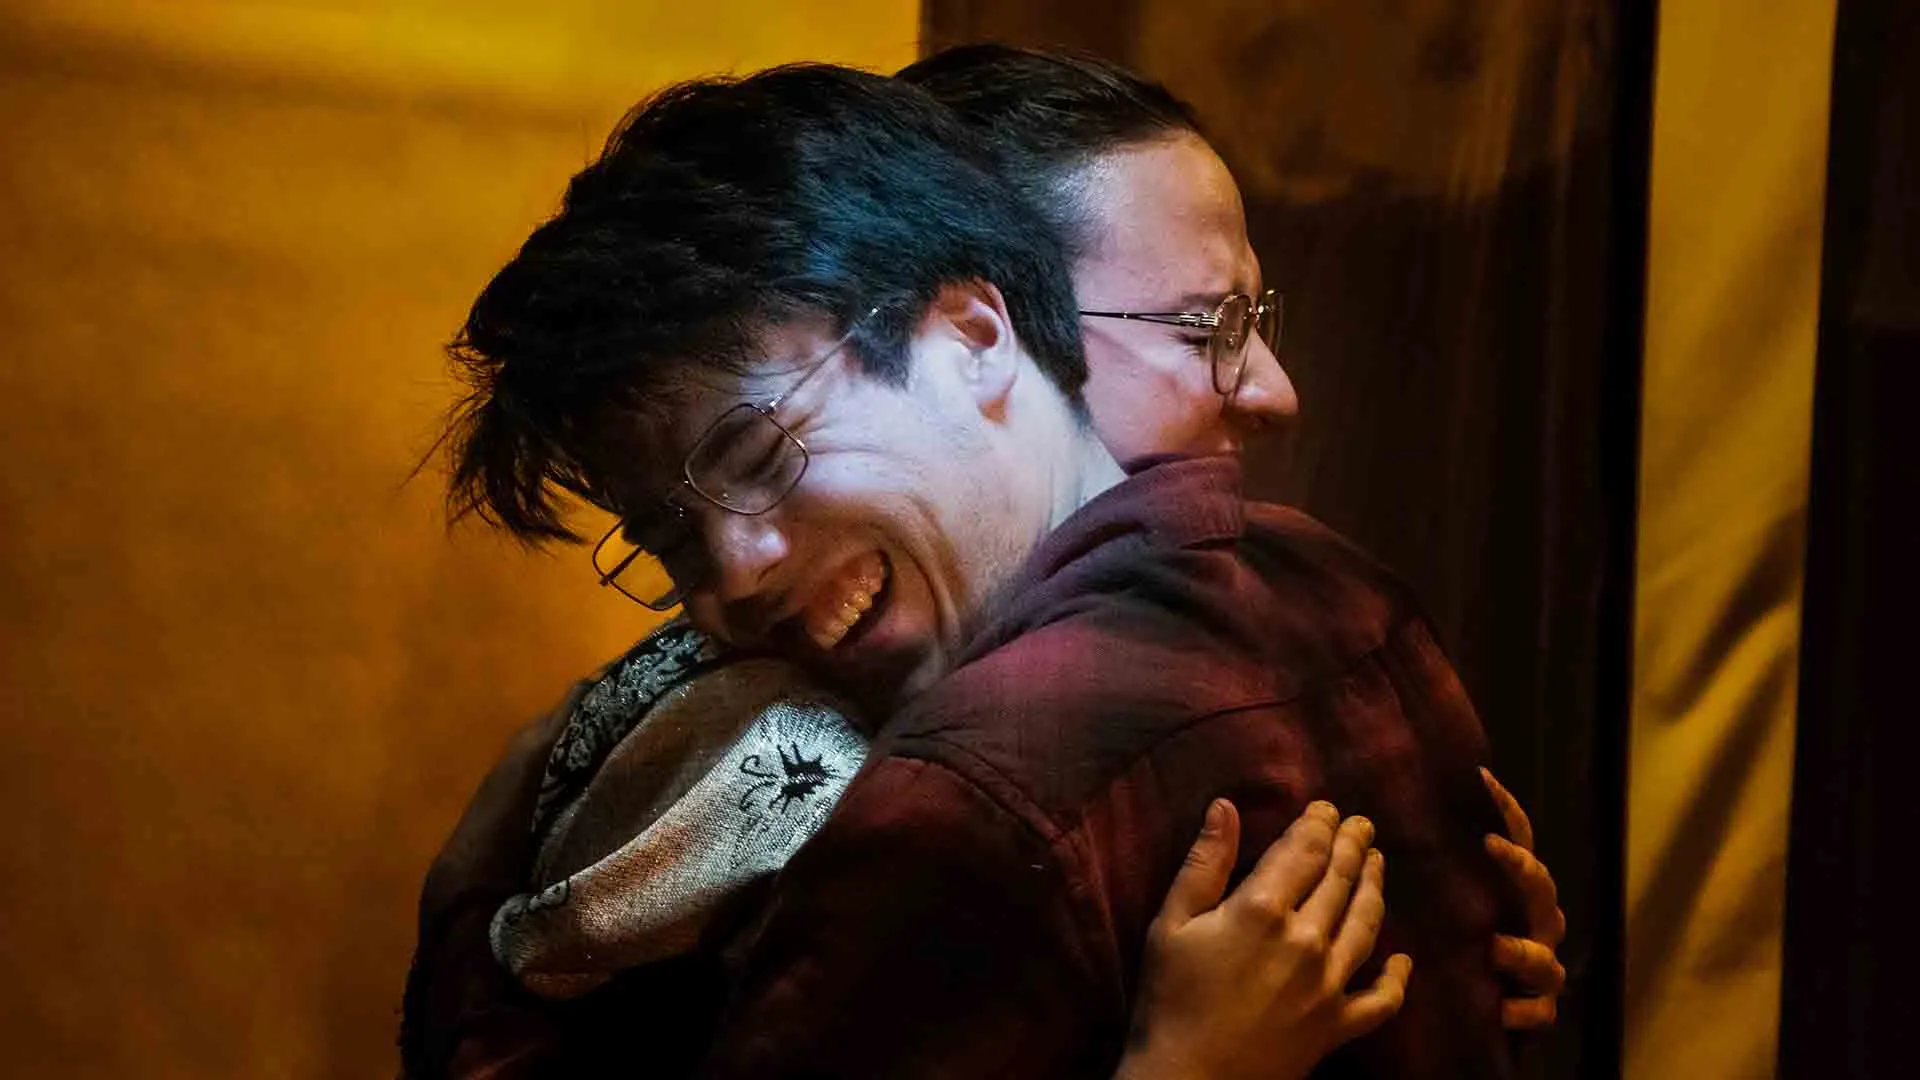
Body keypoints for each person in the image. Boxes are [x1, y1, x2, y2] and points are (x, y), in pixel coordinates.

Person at [416, 57, 1557, 1080]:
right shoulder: (1344, 586)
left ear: (976, 332)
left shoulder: (958, 805)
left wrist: (469, 901)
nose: (733, 577)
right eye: (669, 541)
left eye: (760, 457)